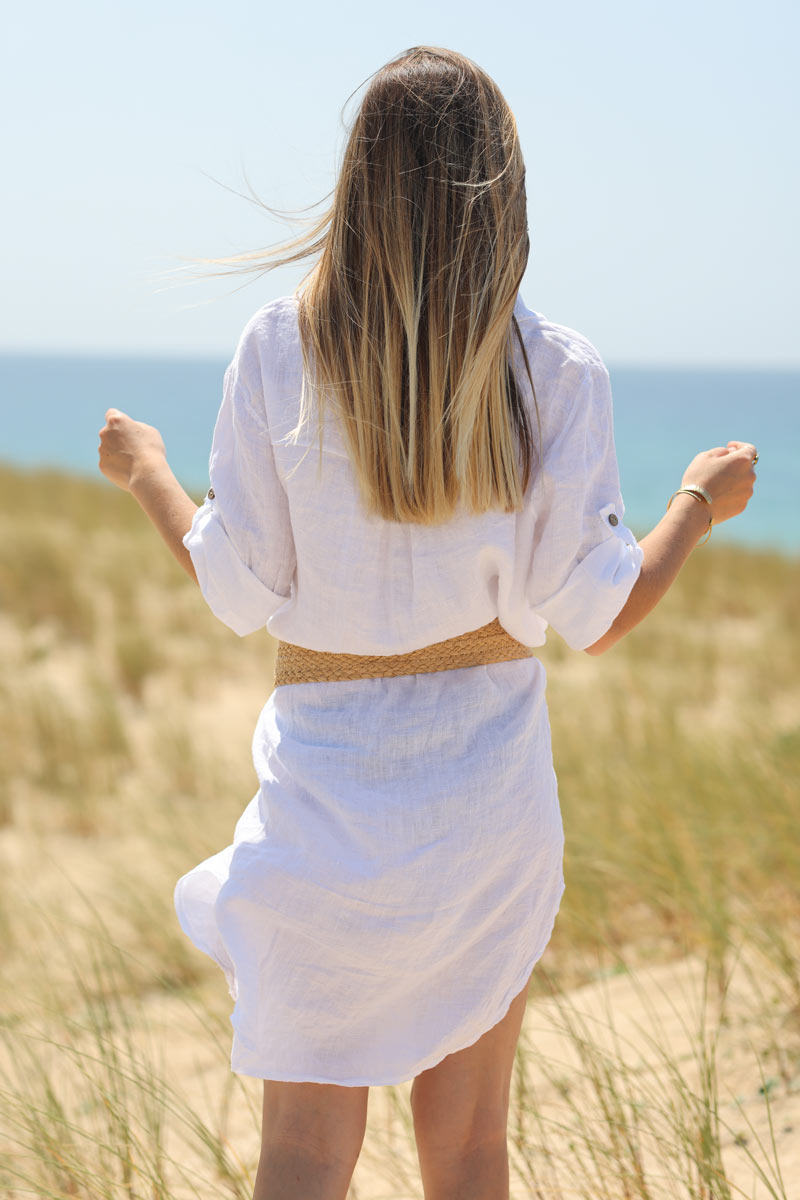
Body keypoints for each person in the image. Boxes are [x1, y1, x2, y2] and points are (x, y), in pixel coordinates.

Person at [98, 45, 757, 1200]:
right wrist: (696, 504)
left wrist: (146, 471)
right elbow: (596, 612)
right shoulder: (553, 369)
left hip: (324, 804)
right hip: (483, 810)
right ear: (501, 192)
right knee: (466, 1150)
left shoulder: (277, 348)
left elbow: (237, 590)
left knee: (301, 1155)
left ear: (356, 187)